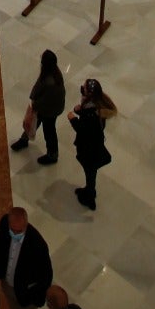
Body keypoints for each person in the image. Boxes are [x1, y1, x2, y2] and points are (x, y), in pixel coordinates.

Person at [11, 49, 66, 165]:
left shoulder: (51, 81)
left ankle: (52, 155)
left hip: (49, 111)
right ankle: (24, 139)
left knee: (49, 131)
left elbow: (46, 100)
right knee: (33, 123)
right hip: (48, 108)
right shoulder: (53, 72)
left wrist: (34, 105)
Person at [68, 77, 116, 210]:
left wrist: (72, 119)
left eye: (83, 88)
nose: (81, 89)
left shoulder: (92, 113)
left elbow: (83, 129)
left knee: (90, 171)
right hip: (92, 146)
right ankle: (89, 190)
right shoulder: (96, 106)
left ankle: (90, 197)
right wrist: (79, 111)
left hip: (89, 149)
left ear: (89, 93)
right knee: (90, 171)